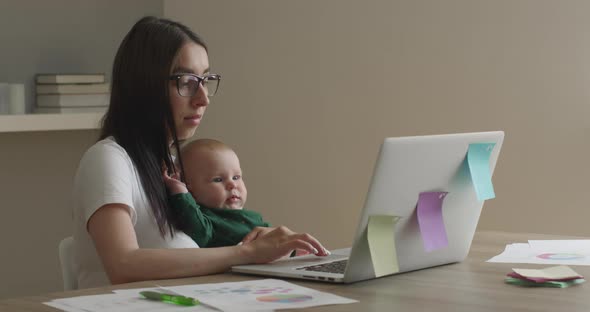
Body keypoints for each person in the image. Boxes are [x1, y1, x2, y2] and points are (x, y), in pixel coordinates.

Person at [71, 16, 329, 288]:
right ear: (144, 85)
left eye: (205, 79)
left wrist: (253, 240)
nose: (203, 98)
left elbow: (204, 242)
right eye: (186, 81)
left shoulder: (173, 169)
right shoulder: (109, 159)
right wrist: (248, 253)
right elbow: (123, 266)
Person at [163, 138, 271, 248]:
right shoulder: (206, 219)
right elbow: (200, 234)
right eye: (218, 180)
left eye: (236, 177)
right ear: (190, 189)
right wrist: (180, 191)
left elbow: (276, 239)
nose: (233, 185)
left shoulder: (254, 217)